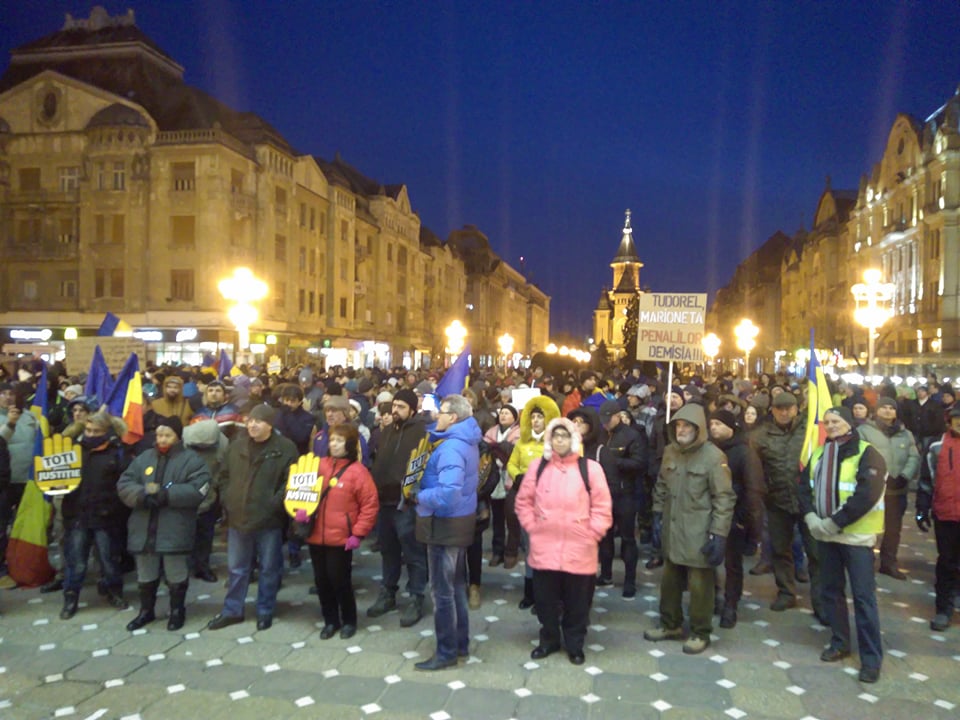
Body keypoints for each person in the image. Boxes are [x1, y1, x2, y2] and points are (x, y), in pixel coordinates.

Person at [516, 417, 612, 665]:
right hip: (544, 549)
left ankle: (574, 643)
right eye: (556, 436)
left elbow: (602, 507)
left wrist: (591, 534)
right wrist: (533, 528)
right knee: (545, 601)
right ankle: (548, 639)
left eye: (565, 436)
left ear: (574, 439)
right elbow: (524, 502)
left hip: (580, 550)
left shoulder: (590, 469)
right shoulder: (538, 467)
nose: (560, 440)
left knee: (577, 603)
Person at [801, 406, 886, 684]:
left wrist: (835, 521)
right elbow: (803, 487)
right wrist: (810, 516)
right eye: (827, 422)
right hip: (826, 536)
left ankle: (871, 659)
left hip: (856, 538)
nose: (830, 425)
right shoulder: (820, 453)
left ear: (849, 423)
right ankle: (839, 642)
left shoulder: (867, 453)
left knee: (863, 597)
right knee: (831, 592)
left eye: (836, 421)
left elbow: (867, 495)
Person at [644, 403, 735, 655]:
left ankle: (700, 631)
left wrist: (719, 534)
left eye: (687, 426)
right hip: (673, 528)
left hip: (699, 531)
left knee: (699, 585)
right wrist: (657, 514)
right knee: (670, 581)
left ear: (698, 429)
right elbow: (662, 485)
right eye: (678, 425)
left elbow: (724, 498)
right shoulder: (670, 452)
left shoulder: (714, 457)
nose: (681, 430)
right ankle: (670, 624)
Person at [207, 404, 298, 631]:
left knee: (269, 568)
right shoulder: (237, 446)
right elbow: (223, 476)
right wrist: (228, 499)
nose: (252, 425)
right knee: (237, 568)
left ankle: (265, 610)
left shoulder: (285, 448)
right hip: (238, 516)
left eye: (258, 421)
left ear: (270, 425)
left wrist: (274, 504)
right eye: (250, 420)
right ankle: (232, 610)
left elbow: (291, 481)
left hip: (269, 519)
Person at [117, 416, 211, 631]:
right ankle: (146, 611)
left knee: (175, 572)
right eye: (159, 435)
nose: (162, 439)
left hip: (174, 527)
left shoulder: (192, 461)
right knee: (145, 572)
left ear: (177, 437)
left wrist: (167, 495)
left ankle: (177, 611)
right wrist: (141, 495)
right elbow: (125, 483)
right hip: (143, 526)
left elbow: (199, 488)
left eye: (167, 435)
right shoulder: (144, 458)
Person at [411, 394, 481, 671]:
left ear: (453, 418)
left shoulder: (451, 447)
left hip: (444, 524)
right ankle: (460, 643)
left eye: (441, 412)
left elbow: (449, 492)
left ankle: (446, 651)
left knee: (442, 592)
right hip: (458, 522)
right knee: (456, 588)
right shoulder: (464, 439)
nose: (436, 415)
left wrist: (419, 496)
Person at [303, 423, 378, 640]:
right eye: (332, 440)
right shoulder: (318, 465)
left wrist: (358, 533)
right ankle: (330, 621)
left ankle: (349, 620)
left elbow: (370, 505)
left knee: (340, 580)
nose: (334, 444)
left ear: (350, 444)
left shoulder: (358, 472)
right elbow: (302, 491)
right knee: (321, 581)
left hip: (341, 538)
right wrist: (300, 510)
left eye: (339, 441)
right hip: (316, 534)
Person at [751, 391, 821, 618]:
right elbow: (754, 467)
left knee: (816, 553)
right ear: (772, 411)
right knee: (780, 550)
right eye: (779, 409)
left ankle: (821, 599)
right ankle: (786, 592)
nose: (784, 413)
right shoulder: (761, 435)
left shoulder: (810, 431)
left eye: (788, 408)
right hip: (777, 501)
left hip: (808, 501)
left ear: (796, 409)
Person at [367, 388, 430, 628]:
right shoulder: (387, 431)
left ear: (412, 410)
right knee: (388, 550)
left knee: (413, 552)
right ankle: (388, 592)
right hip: (384, 500)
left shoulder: (421, 431)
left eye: (401, 407)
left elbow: (424, 464)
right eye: (394, 405)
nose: (395, 410)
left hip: (407, 503)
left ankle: (416, 597)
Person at [59, 409, 131, 619]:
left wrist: (116, 510)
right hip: (77, 515)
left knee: (109, 559)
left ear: (107, 431)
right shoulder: (71, 451)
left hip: (106, 516)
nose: (90, 435)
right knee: (76, 562)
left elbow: (125, 484)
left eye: (96, 431)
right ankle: (71, 597)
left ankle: (114, 591)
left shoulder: (117, 452)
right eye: (88, 430)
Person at [707, 410, 765, 628]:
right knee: (709, 559)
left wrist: (750, 525)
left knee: (732, 564)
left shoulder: (744, 452)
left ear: (731, 427)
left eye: (719, 423)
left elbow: (753, 489)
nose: (714, 427)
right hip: (709, 513)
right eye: (712, 423)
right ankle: (712, 597)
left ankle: (731, 604)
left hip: (735, 515)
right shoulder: (708, 450)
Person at [506, 395, 561, 608]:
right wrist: (518, 475)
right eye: (533, 417)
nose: (536, 420)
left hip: (549, 502)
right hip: (527, 501)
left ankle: (546, 595)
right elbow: (512, 463)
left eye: (540, 417)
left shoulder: (555, 443)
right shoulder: (522, 442)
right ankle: (530, 592)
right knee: (529, 547)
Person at [856, 396, 920, 579]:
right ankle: (864, 562)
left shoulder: (905, 434)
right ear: (876, 410)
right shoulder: (864, 431)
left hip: (897, 490)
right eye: (883, 407)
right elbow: (861, 457)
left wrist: (904, 476)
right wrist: (877, 477)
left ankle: (888, 563)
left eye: (891, 408)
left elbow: (914, 457)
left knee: (893, 529)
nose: (888, 411)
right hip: (873, 490)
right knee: (868, 527)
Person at [594, 400, 646, 598]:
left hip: (625, 494)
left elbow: (639, 463)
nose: (605, 423)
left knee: (627, 539)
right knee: (605, 537)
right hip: (603, 493)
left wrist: (613, 461)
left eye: (609, 420)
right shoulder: (601, 434)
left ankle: (629, 580)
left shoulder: (632, 435)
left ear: (618, 416)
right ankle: (606, 574)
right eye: (603, 420)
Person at [917, 405, 960, 631]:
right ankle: (943, 609)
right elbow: (926, 479)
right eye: (957, 419)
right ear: (949, 421)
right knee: (947, 562)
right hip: (946, 514)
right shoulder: (937, 445)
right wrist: (921, 509)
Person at [182, 419, 228, 583]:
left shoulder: (222, 444)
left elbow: (224, 469)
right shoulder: (183, 441)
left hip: (206, 493)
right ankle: (193, 567)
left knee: (203, 534)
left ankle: (199, 566)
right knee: (195, 534)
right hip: (190, 493)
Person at [483, 405, 521, 569]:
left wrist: (500, 447)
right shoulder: (491, 433)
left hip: (510, 479)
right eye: (502, 413)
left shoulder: (519, 433)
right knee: (497, 518)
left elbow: (516, 453)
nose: (503, 415)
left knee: (512, 519)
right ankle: (497, 551)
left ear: (514, 417)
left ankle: (511, 552)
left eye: (507, 413)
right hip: (494, 479)